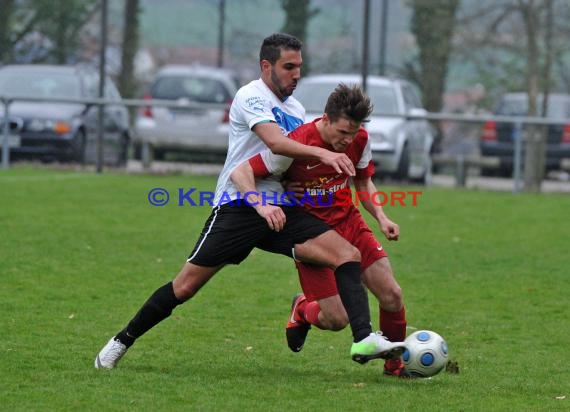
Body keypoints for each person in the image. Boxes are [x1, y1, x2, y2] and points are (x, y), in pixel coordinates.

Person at [94, 33, 405, 370]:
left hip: (283, 210)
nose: (296, 74)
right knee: (184, 287)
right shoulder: (251, 96)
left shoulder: (296, 110)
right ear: (266, 66)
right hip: (240, 205)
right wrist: (270, 195)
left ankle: (363, 339)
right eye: (289, 67)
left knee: (347, 255)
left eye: (299, 67)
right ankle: (121, 341)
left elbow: (299, 163)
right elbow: (271, 147)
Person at [230, 83, 413, 377]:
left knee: (391, 295)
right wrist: (276, 192)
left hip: (349, 223)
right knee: (335, 319)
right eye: (342, 132)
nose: (348, 140)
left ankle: (395, 365)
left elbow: (363, 183)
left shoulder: (359, 139)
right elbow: (248, 173)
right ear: (325, 119)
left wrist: (381, 216)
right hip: (313, 236)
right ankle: (303, 308)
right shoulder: (298, 142)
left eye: (353, 132)